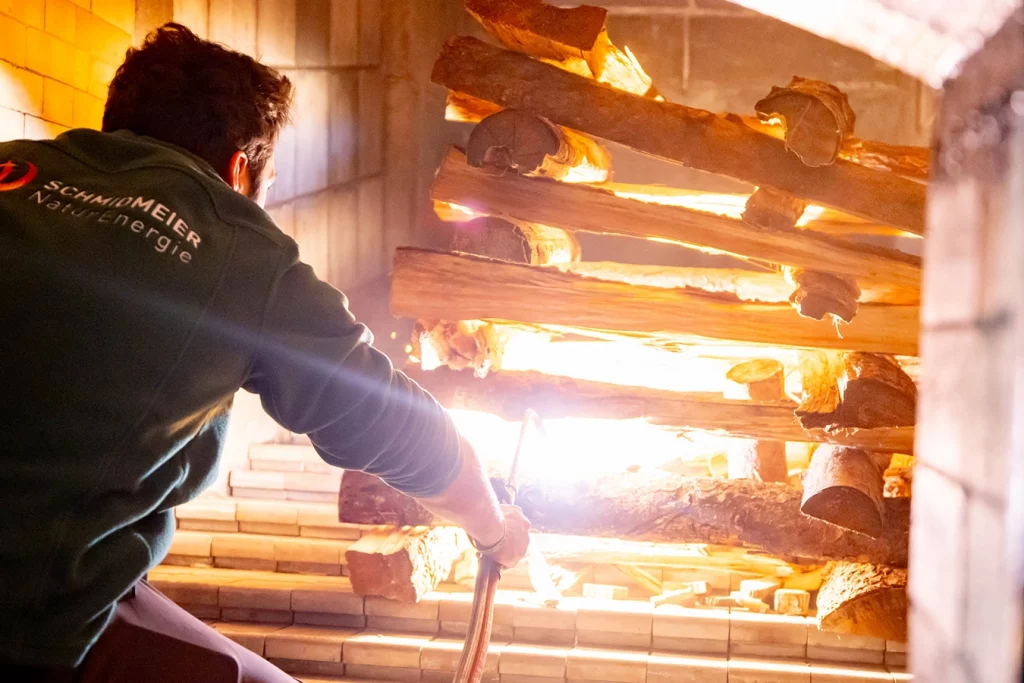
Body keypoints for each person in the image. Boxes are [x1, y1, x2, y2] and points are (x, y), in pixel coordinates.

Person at [0, 22, 530, 682]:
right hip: (26, 624)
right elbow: (396, 425)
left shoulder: (15, 165)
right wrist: (489, 524)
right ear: (237, 169)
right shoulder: (237, 247)